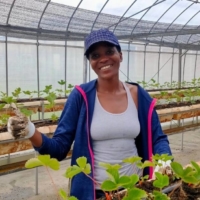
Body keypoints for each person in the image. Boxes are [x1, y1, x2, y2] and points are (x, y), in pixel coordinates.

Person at [7, 29, 172, 200]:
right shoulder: (81, 96)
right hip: (95, 192)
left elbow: (158, 137)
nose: (103, 59)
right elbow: (59, 148)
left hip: (136, 188)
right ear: (90, 62)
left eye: (109, 51)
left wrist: (163, 161)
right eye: (95, 55)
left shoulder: (138, 94)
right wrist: (30, 130)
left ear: (120, 55)